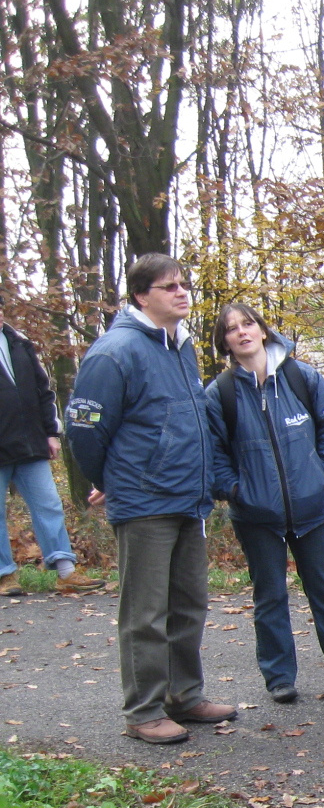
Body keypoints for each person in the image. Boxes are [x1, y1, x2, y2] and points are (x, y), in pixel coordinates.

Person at [66, 254, 237, 744]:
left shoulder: (178, 346)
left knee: (189, 604)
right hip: (144, 501)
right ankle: (143, 711)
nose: (182, 293)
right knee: (145, 611)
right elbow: (85, 430)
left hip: (188, 497)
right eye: (169, 287)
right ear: (142, 296)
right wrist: (112, 478)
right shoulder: (114, 352)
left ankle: (184, 695)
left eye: (184, 285)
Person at [205, 303, 324, 703]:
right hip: (255, 514)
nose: (242, 332)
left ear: (263, 330)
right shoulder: (221, 394)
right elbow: (212, 453)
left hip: (313, 507)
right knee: (269, 595)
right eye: (232, 329)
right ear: (225, 342)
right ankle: (279, 676)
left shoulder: (303, 377)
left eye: (248, 324)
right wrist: (233, 489)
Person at [0, 315, 103, 596]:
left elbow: (42, 390)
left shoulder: (19, 342)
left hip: (30, 442)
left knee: (49, 505)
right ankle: (5, 576)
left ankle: (65, 572)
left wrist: (50, 433)